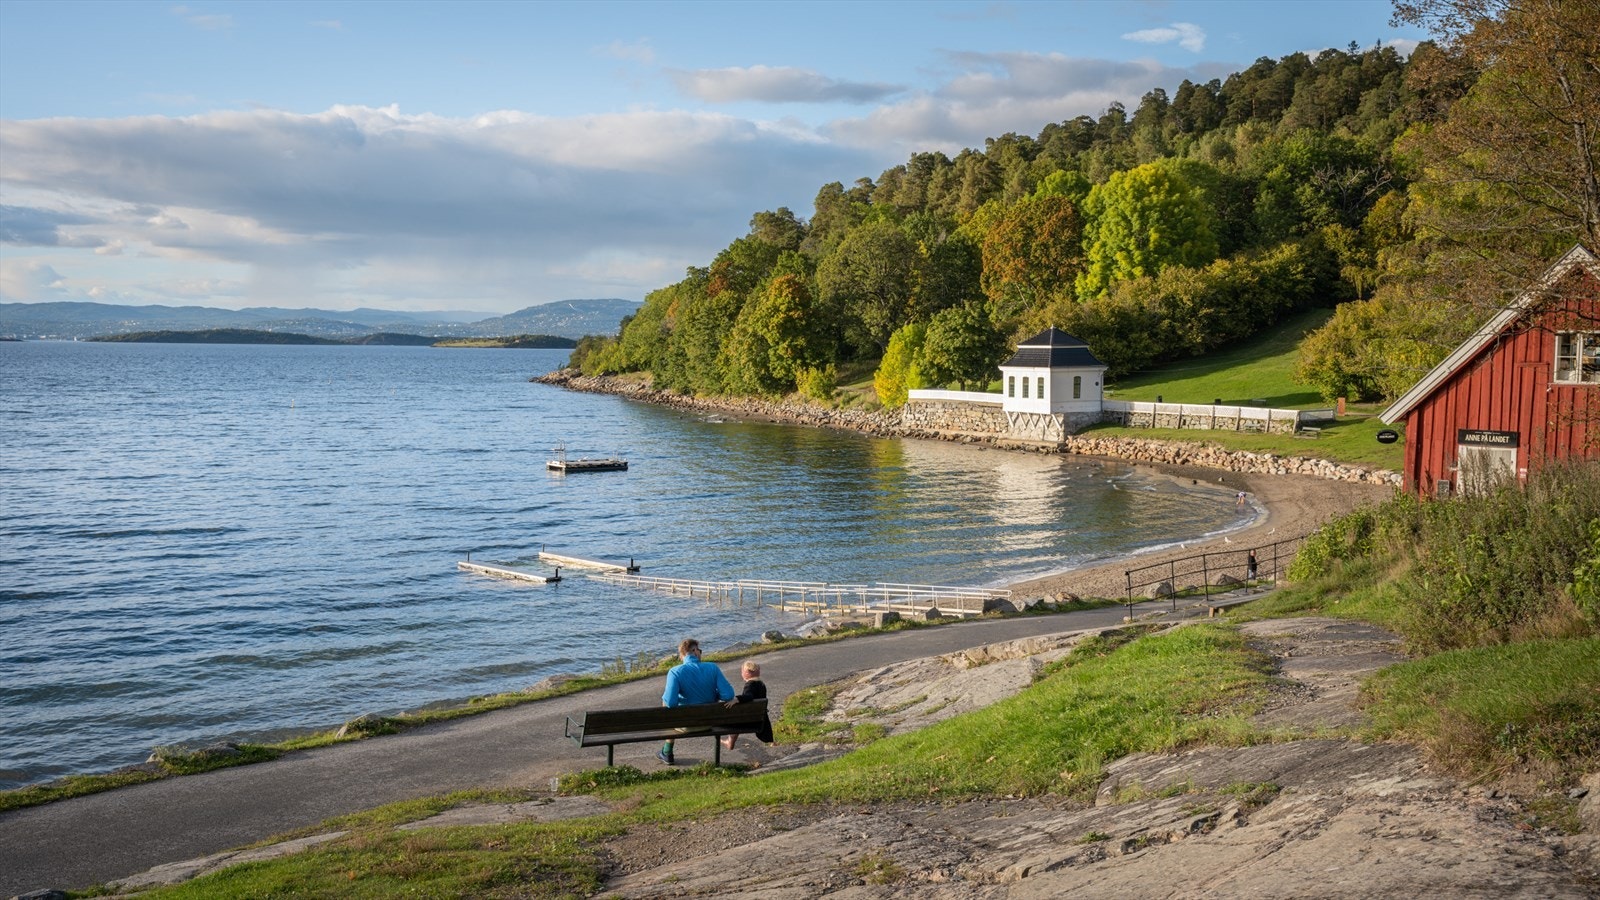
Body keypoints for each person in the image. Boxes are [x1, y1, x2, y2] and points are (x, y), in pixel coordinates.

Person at [658, 637, 734, 765]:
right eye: (700, 651)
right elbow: (728, 695)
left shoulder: (675, 672)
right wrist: (713, 693)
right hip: (709, 723)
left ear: (683, 655)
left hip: (684, 725)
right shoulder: (712, 668)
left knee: (665, 701)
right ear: (695, 651)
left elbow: (670, 703)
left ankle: (667, 751)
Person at [721, 660, 774, 751]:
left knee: (734, 720)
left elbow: (749, 696)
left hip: (747, 721)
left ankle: (730, 741)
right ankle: (773, 743)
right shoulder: (761, 684)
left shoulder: (749, 685)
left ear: (746, 673)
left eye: (742, 671)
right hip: (758, 719)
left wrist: (736, 699)